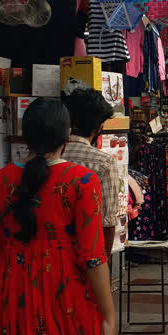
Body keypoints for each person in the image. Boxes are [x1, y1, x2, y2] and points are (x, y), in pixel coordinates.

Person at [0, 98, 142, 335]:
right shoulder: (80, 180)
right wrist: (108, 313)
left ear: (25, 136)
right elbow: (92, 257)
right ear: (66, 135)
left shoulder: (1, 180)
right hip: (67, 294)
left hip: (11, 294)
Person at [62, 88, 120, 257]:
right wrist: (103, 265)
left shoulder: (50, 154)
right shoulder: (104, 163)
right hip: (86, 253)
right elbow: (107, 222)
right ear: (100, 128)